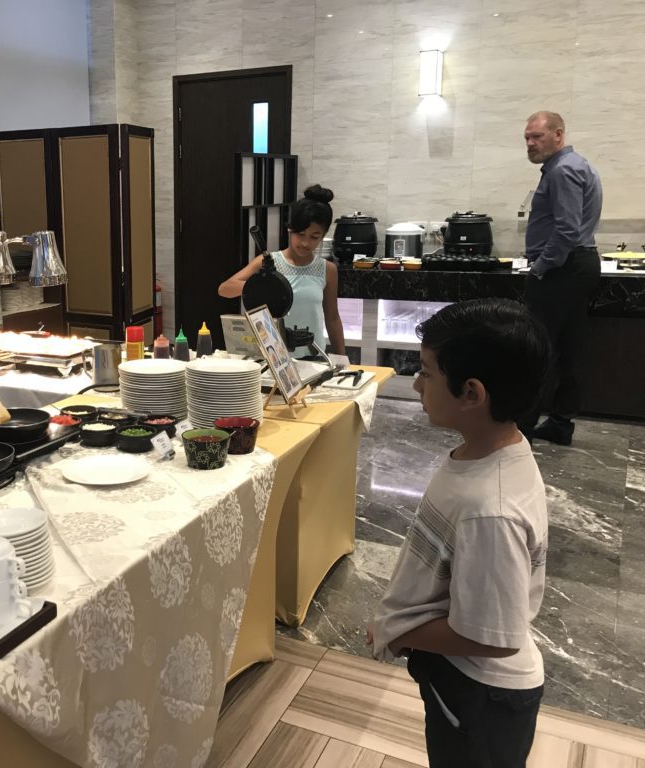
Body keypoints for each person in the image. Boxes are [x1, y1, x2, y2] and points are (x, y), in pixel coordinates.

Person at [367, 299, 551, 768]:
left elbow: (496, 637)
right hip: (467, 682)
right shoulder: (488, 450)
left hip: (483, 695)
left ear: (471, 392)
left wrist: (401, 630)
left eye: (426, 372)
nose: (416, 383)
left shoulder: (491, 510)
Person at [520, 110, 602, 446]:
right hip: (576, 266)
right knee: (569, 348)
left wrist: (540, 267)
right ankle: (560, 423)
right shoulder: (571, 166)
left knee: (537, 347)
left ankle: (522, 425)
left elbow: (567, 230)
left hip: (561, 268)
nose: (530, 143)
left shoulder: (563, 169)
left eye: (537, 136)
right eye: (527, 137)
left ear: (559, 135)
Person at [218, 185, 346, 356]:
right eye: (300, 234)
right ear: (289, 229)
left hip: (313, 356)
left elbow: (332, 318)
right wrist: (262, 286)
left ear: (322, 236)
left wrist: (341, 357)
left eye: (314, 237)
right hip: (272, 358)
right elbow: (224, 289)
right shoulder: (268, 262)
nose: (305, 243)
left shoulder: (327, 270)